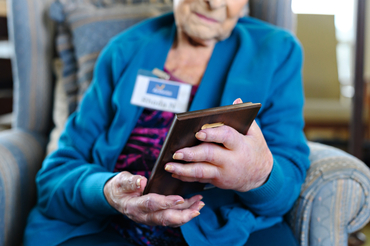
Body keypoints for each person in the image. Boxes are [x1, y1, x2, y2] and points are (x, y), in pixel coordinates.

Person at [24, 0, 310, 245]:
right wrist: (109, 191)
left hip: (219, 233)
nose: (213, 2)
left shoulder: (276, 52)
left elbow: (285, 191)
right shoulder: (124, 50)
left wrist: (259, 174)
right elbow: (54, 178)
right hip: (108, 228)